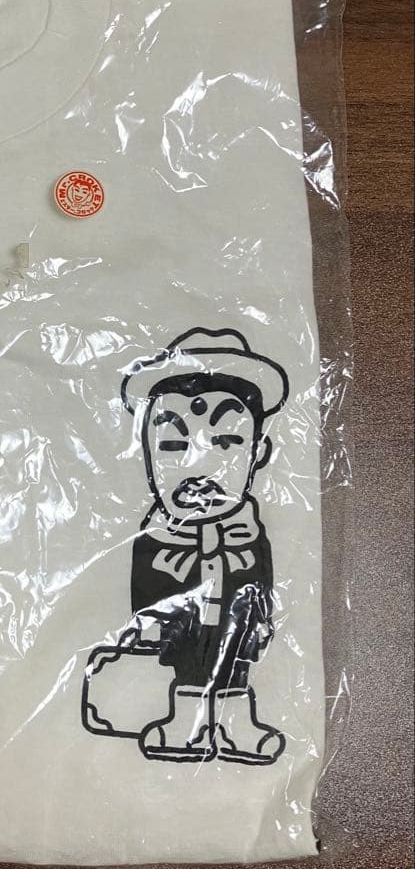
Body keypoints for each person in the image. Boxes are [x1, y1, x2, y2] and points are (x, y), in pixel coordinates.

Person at [121, 328, 288, 766]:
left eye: (227, 442)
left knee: (236, 666)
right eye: (173, 445)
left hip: (238, 615)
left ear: (259, 452)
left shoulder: (250, 531)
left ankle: (236, 723)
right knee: (187, 665)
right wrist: (146, 621)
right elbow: (145, 579)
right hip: (182, 622)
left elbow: (261, 576)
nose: (202, 465)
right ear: (146, 454)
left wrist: (263, 618)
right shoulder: (156, 536)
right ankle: (186, 724)